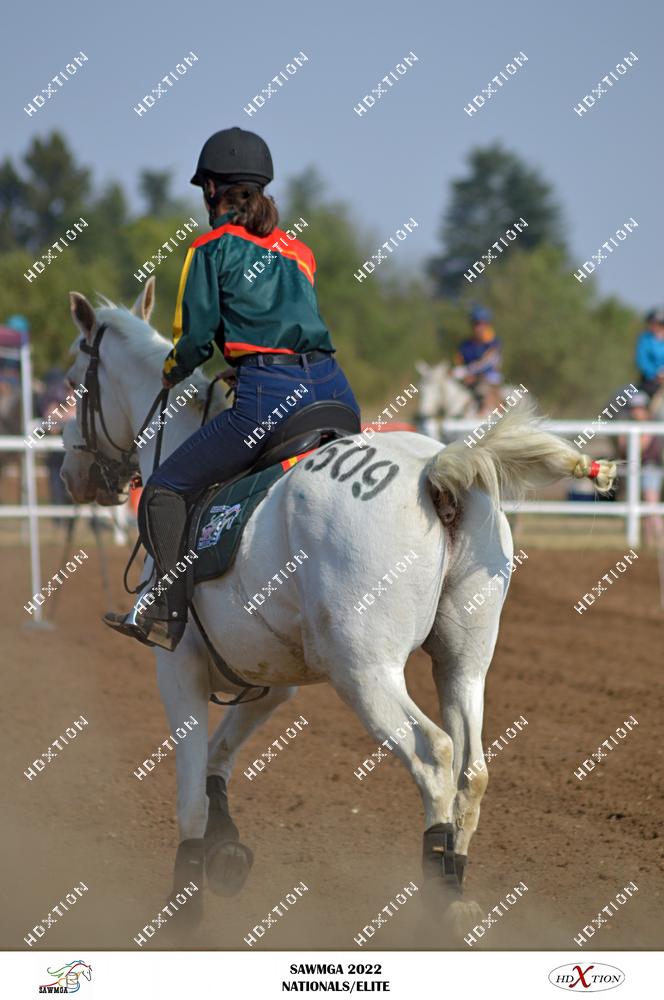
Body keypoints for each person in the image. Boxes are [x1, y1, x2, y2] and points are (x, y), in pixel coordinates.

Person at [104, 127, 360, 650]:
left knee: (163, 490)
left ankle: (163, 612)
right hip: (336, 393)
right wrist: (244, 365)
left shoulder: (208, 249)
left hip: (269, 399)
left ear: (210, 190)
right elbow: (292, 327)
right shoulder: (300, 252)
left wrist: (172, 371)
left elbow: (195, 340)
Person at [617, 390, 663, 545]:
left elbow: (639, 448)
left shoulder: (649, 426)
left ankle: (659, 539)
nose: (635, 411)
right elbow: (623, 448)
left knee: (651, 505)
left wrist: (630, 443)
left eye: (638, 408)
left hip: (650, 468)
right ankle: (648, 544)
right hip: (635, 469)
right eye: (633, 408)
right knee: (642, 508)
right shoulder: (629, 427)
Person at [451, 306, 503, 413]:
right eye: (476, 324)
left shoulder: (493, 343)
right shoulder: (465, 345)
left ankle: (486, 415)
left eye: (482, 324)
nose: (479, 327)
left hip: (488, 379)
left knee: (483, 391)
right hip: (467, 380)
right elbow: (458, 363)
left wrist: (470, 373)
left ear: (488, 325)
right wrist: (458, 373)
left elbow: (489, 362)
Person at [635, 308, 664, 398]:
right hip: (650, 380)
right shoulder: (645, 338)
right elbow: (642, 360)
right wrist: (656, 374)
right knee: (639, 401)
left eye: (654, 324)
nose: (651, 326)